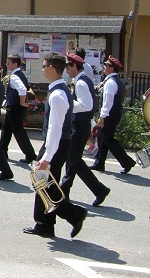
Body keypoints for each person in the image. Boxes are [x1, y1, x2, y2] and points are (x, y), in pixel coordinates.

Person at [23, 53, 88, 238]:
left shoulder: (58, 94)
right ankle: (46, 223)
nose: (43, 69)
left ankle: (73, 214)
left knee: (43, 184)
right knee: (45, 184)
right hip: (59, 143)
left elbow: (55, 128)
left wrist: (46, 156)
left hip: (57, 143)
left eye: (44, 66)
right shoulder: (60, 90)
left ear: (52, 68)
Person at [60, 54, 110, 207]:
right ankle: (64, 190)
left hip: (80, 124)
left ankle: (99, 189)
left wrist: (69, 102)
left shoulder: (81, 82)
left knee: (75, 160)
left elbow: (87, 105)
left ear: (75, 66)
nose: (67, 71)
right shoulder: (82, 80)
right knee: (71, 158)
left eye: (68, 67)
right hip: (80, 124)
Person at [90, 55, 136, 174]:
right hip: (113, 113)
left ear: (111, 68)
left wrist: (102, 117)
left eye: (106, 65)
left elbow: (107, 102)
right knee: (101, 137)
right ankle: (99, 163)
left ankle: (127, 162)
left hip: (110, 115)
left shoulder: (111, 82)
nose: (104, 67)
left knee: (108, 139)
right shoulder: (114, 80)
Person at [0, 54, 36, 164]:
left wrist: (21, 102)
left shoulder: (15, 76)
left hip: (15, 107)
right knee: (6, 128)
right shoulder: (20, 74)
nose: (7, 65)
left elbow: (22, 89)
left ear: (15, 64)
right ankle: (2, 151)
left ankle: (30, 154)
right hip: (13, 106)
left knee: (18, 131)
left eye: (8, 63)